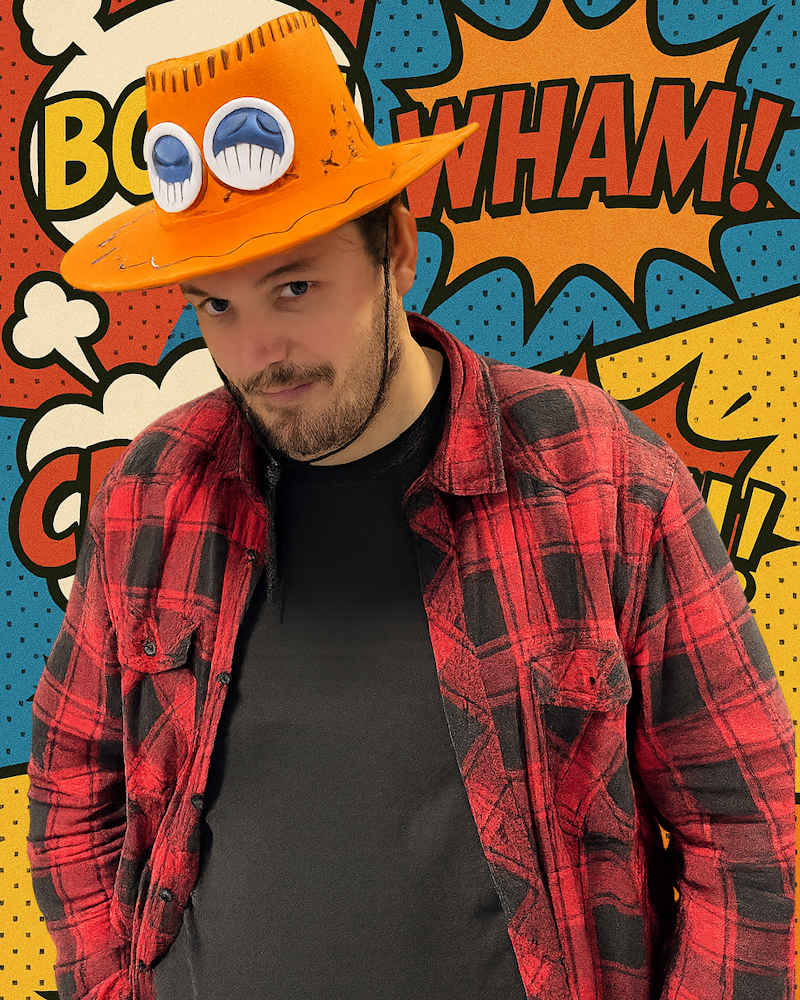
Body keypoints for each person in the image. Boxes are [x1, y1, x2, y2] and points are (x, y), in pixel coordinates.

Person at [28, 12, 794, 1000]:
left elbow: (743, 827)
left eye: (293, 287)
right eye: (216, 304)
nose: (257, 353)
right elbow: (70, 786)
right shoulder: (153, 491)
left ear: (394, 248)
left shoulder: (599, 474)